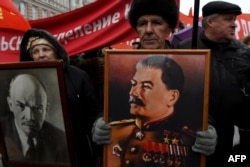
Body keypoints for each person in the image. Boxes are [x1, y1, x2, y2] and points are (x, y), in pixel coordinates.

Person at [92, 0, 217, 165]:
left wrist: (209, 131)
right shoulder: (114, 64)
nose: (148, 30)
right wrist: (99, 124)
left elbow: (203, 109)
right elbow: (106, 107)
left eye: (157, 22)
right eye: (142, 23)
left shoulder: (194, 64)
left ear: (169, 28)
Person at [176, 1, 250, 166]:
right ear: (210, 22)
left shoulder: (244, 53)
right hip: (192, 136)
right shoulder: (185, 48)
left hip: (229, 138)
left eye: (235, 19)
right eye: (229, 19)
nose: (234, 25)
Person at [19, 28, 100, 167]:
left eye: (46, 49)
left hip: (77, 152)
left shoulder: (78, 76)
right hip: (41, 154)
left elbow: (94, 111)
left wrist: (99, 122)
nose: (41, 55)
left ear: (56, 51)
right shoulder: (23, 81)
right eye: (35, 52)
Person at [107, 55, 204, 167]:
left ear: (172, 97)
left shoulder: (189, 141)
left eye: (146, 86)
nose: (133, 92)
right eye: (133, 84)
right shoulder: (112, 131)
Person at [1, 74, 69, 163]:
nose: (30, 117)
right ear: (10, 104)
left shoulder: (62, 141)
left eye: (37, 108)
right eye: (21, 106)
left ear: (46, 109)